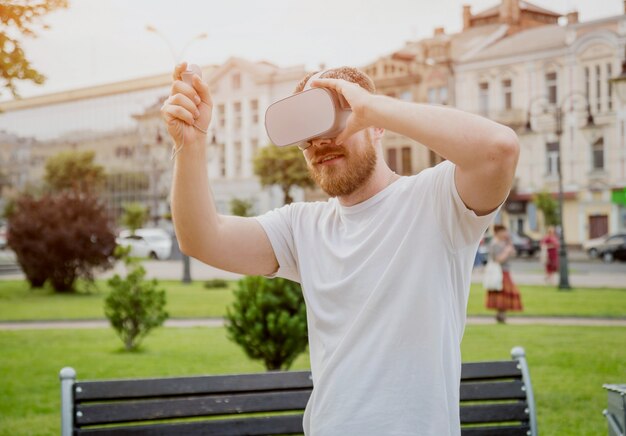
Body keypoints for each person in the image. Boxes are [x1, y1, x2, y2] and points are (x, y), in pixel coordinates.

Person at [161, 62, 519, 436]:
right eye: (306, 135)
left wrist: (373, 107)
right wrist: (191, 143)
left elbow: (499, 150)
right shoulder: (302, 227)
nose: (319, 143)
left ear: (376, 125)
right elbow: (201, 237)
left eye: (332, 123)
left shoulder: (436, 201)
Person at [485, 225, 523, 323]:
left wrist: (509, 244)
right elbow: (498, 259)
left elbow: (513, 253)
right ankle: (500, 314)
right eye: (504, 232)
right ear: (498, 232)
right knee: (501, 293)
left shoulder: (504, 243)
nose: (505, 234)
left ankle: (502, 314)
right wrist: (506, 251)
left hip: (505, 271)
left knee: (506, 293)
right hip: (499, 272)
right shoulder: (494, 244)